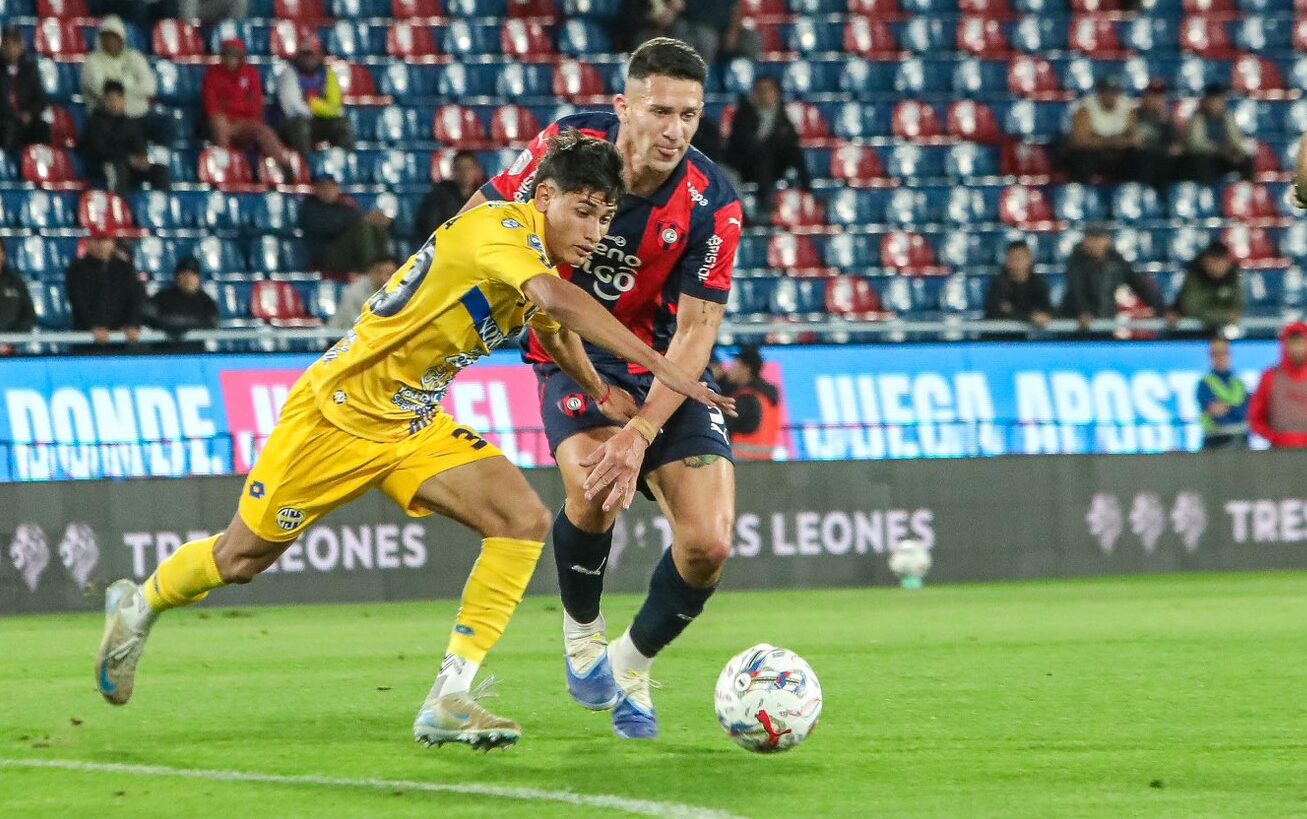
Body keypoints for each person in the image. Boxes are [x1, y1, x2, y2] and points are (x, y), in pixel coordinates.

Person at [94, 133, 733, 754]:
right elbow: (553, 301)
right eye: (584, 212)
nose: (595, 231)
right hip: (338, 416)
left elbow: (551, 327)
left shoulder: (536, 257)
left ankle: (449, 697)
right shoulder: (499, 230)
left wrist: (599, 389)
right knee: (239, 559)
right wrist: (665, 367)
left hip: (411, 422)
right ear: (544, 197)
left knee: (521, 519)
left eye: (606, 218)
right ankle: (138, 606)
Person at [459, 38, 744, 740]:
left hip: (663, 364)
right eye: (660, 111)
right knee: (593, 486)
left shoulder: (712, 201)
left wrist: (642, 429)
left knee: (709, 544)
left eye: (689, 115)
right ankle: (582, 632)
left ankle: (630, 663)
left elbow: (697, 331)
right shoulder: (566, 147)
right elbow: (480, 215)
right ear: (624, 106)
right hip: (571, 349)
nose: (674, 130)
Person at [203, 39, 294, 172]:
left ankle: (285, 167)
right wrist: (231, 117)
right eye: (227, 54)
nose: (230, 59)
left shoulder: (251, 74)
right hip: (222, 123)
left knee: (263, 131)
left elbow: (256, 104)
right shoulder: (212, 74)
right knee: (219, 122)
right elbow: (211, 105)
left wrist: (239, 116)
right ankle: (224, 166)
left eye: (234, 55)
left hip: (244, 123)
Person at [723, 76, 810, 213]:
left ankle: (808, 190)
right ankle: (766, 204)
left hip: (774, 165)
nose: (765, 94)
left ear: (777, 93)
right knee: (764, 154)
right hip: (746, 166)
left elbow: (791, 142)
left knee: (794, 151)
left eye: (769, 90)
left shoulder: (781, 114)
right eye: (760, 91)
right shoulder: (744, 113)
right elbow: (743, 144)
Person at [1060, 225, 1164, 332]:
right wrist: (1083, 312)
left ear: (1108, 241)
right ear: (1085, 242)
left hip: (1106, 321)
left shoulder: (1117, 261)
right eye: (1092, 239)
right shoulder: (1075, 262)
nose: (1096, 244)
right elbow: (1077, 290)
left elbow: (1138, 285)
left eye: (1099, 239)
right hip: (1077, 324)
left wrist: (1162, 311)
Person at [81, 16, 163, 143]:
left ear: (122, 38)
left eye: (115, 37)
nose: (111, 41)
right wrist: (131, 87)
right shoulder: (92, 62)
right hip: (106, 120)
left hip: (139, 116)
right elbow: (102, 92)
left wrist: (120, 90)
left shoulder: (135, 57)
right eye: (106, 37)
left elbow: (150, 87)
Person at [79, 80, 171, 193]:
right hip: (103, 166)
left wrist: (141, 158)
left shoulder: (130, 123)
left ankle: (163, 200)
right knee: (118, 168)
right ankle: (119, 202)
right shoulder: (94, 122)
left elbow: (139, 144)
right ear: (104, 100)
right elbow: (100, 151)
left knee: (159, 170)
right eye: (110, 99)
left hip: (129, 167)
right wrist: (128, 159)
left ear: (124, 100)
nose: (114, 103)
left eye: (118, 99)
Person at [299, 175, 393, 280]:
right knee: (362, 227)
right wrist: (361, 219)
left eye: (332, 187)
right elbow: (329, 227)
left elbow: (355, 218)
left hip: (349, 253)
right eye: (324, 187)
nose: (328, 190)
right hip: (327, 258)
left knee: (375, 225)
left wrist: (371, 219)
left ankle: (385, 266)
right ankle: (369, 269)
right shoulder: (309, 208)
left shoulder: (343, 204)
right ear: (316, 189)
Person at [275, 35, 354, 158]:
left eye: (311, 54)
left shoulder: (328, 74)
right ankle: (306, 164)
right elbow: (292, 107)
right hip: (292, 125)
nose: (308, 59)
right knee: (300, 125)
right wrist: (316, 109)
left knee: (342, 124)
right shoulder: (289, 73)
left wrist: (313, 104)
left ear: (319, 55)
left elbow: (336, 107)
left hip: (319, 121)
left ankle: (345, 161)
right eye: (304, 54)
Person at [65, 229, 145, 345]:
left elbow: (136, 299)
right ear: (88, 241)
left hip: (121, 340)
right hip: (87, 339)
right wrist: (94, 326)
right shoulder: (77, 269)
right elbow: (79, 302)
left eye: (105, 240)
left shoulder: (126, 269)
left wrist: (133, 324)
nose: (101, 245)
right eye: (96, 240)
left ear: (113, 242)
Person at [1063, 77, 1139, 184]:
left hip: (1118, 155)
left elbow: (1136, 139)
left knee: (1138, 157)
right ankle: (1084, 191)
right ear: (1099, 93)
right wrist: (1113, 142)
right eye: (1107, 92)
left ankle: (1132, 191)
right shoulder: (1086, 109)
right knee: (1081, 158)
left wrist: (1119, 143)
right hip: (1094, 155)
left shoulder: (1128, 108)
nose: (1111, 96)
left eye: (1115, 92)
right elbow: (1080, 141)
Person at [1248, 322, 1307, 449]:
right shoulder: (1270, 377)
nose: (1297, 349)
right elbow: (1255, 416)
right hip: (1279, 451)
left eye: (1301, 343)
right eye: (1293, 343)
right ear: (1285, 345)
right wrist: (1274, 437)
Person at [718, 346, 780, 461]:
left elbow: (722, 423)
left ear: (745, 369)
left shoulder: (746, 397)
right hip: (766, 460)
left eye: (735, 364)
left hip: (742, 460)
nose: (731, 369)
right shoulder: (767, 395)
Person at [1167, 240, 1243, 334]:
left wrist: (1216, 315)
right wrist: (1225, 316)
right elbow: (1192, 308)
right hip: (1191, 334)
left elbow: (1238, 307)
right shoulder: (1194, 275)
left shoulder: (1233, 276)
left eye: (1222, 261)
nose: (1218, 266)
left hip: (1222, 333)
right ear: (1206, 260)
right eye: (1215, 262)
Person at [1183, 84, 1252, 184]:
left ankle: (1245, 189)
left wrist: (1236, 152)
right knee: (1202, 163)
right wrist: (1218, 149)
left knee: (1246, 160)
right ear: (1207, 102)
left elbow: (1237, 140)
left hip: (1225, 157)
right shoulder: (1198, 118)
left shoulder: (1228, 117)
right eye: (1213, 101)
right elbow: (1196, 144)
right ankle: (1208, 191)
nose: (1216, 104)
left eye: (1219, 101)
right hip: (1208, 157)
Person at [413, 151, 485, 244]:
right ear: (453, 171)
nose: (465, 173)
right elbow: (429, 226)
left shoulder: (483, 195)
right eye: (459, 169)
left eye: (468, 168)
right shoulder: (438, 194)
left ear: (476, 170)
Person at [0, 25, 50, 153]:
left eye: (15, 44)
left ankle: (37, 163)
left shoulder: (30, 69)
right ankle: (8, 162)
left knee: (42, 127)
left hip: (27, 118)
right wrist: (15, 115)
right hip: (5, 119)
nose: (11, 49)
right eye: (7, 45)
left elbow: (41, 99)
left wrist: (30, 113)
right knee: (10, 128)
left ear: (21, 45)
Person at [982, 239, 1052, 329]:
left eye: (1019, 258)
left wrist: (1013, 311)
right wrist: (1030, 317)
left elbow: (1047, 311)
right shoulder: (998, 283)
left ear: (1029, 259)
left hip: (1031, 336)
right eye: (1012, 259)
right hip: (1001, 336)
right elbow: (996, 313)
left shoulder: (1038, 283)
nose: (1016, 263)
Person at [144, 256, 219, 338]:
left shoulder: (206, 301)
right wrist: (171, 325)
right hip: (164, 345)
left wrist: (180, 325)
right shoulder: (162, 297)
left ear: (199, 278)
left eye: (193, 274)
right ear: (177, 277)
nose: (188, 278)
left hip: (194, 345)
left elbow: (211, 322)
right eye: (184, 274)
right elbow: (147, 316)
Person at [1196, 337, 1249, 451]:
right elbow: (1217, 412)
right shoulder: (1205, 384)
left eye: (1224, 353)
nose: (1220, 357)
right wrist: (1235, 409)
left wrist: (1228, 408)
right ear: (1210, 356)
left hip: (1241, 441)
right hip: (1215, 441)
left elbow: (1246, 412)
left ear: (1230, 355)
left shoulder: (1239, 383)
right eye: (1216, 353)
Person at [674, 2, 760, 64]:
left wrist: (733, 32)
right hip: (696, 26)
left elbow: (736, 8)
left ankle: (746, 80)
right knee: (708, 39)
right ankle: (704, 79)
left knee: (752, 39)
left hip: (725, 28)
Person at [1134, 80, 1182, 190]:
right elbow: (1137, 143)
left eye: (1159, 96)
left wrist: (1165, 123)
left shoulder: (1168, 117)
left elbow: (1175, 145)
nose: (1156, 100)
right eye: (1152, 96)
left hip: (1162, 159)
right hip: (1142, 159)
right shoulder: (1135, 115)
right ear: (1144, 97)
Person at [327, 256, 395, 330]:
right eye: (387, 274)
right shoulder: (357, 291)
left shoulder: (389, 291)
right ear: (374, 272)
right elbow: (358, 325)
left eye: (392, 274)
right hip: (341, 334)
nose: (388, 278)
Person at [0, 238, 36, 355]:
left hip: (11, 353)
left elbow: (29, 317)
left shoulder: (17, 282)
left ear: (4, 255)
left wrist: (11, 340)